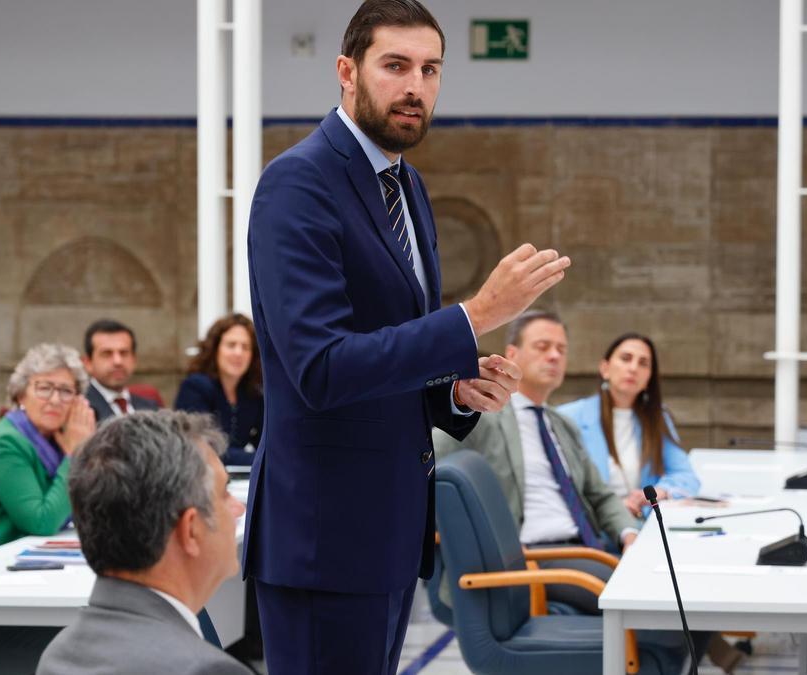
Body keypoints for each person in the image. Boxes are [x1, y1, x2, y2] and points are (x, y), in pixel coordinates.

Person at [243, 1, 571, 671]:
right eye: (395, 66)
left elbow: (389, 355)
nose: (414, 86)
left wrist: (455, 388)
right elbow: (322, 367)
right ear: (346, 70)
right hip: (323, 540)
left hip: (389, 533)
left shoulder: (407, 185)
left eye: (430, 69)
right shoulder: (298, 183)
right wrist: (474, 315)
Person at [433, 311, 637, 615]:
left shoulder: (562, 425)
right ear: (512, 354)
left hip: (587, 549)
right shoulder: (479, 416)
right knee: (656, 604)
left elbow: (600, 494)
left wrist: (629, 534)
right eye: (543, 346)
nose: (554, 356)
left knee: (674, 581)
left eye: (561, 349)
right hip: (528, 557)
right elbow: (426, 466)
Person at [36, 411, 250, 675]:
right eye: (224, 494)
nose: (238, 508)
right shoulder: (204, 669)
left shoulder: (59, 654)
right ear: (190, 529)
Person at [0, 343, 95, 548]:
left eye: (66, 391)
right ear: (21, 394)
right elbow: (41, 522)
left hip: (25, 554)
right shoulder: (5, 443)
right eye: (44, 388)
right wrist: (75, 455)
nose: (55, 400)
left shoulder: (64, 436)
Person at [558, 333, 701, 517]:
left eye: (643, 363)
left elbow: (687, 476)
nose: (633, 368)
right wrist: (613, 508)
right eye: (626, 359)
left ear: (649, 378)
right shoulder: (567, 417)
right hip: (594, 529)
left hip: (641, 524)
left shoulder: (657, 418)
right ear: (605, 368)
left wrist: (660, 492)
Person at [174, 314, 264, 467]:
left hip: (238, 479)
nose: (238, 353)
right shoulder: (195, 387)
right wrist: (262, 460)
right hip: (197, 478)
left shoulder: (253, 393)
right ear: (215, 349)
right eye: (231, 345)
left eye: (246, 347)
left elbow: (267, 442)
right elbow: (203, 448)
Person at [81, 318, 160, 423]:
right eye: (107, 353)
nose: (118, 361)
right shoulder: (80, 409)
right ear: (88, 363)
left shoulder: (151, 408)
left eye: (124, 353)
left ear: (134, 360)